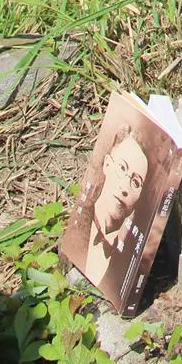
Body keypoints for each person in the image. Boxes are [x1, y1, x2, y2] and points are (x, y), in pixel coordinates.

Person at [77, 122, 151, 300]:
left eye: (136, 182)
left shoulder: (128, 261)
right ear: (107, 165)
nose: (125, 187)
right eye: (122, 168)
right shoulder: (77, 225)